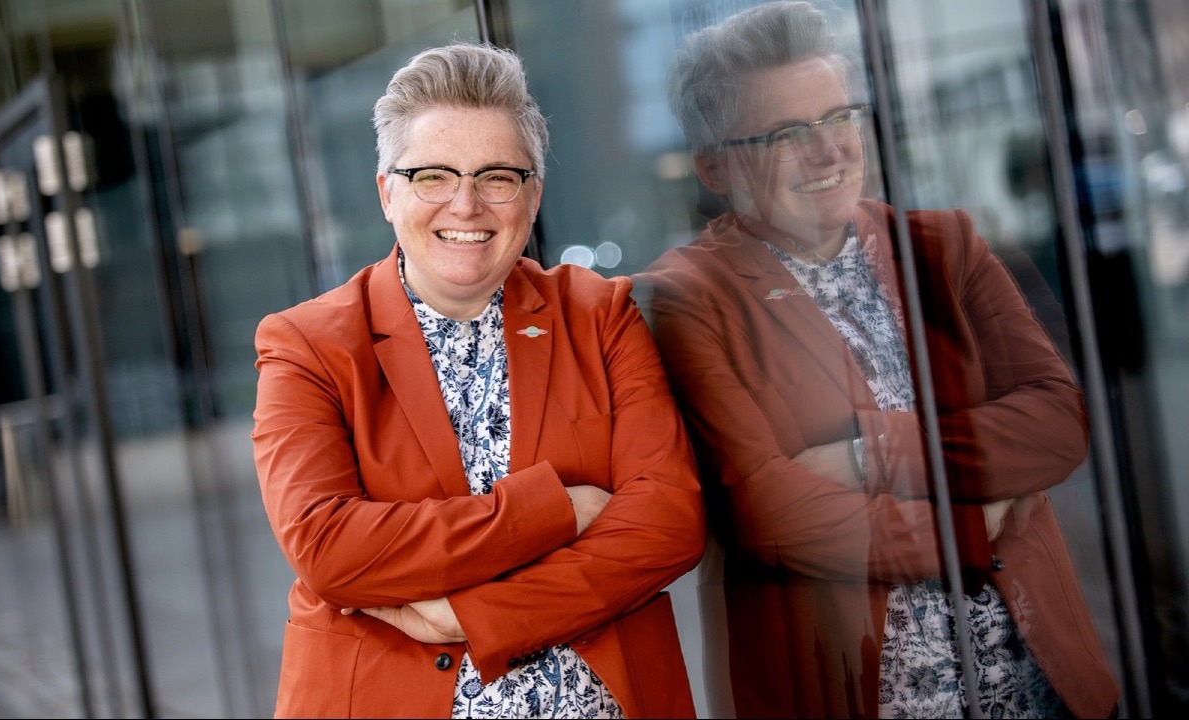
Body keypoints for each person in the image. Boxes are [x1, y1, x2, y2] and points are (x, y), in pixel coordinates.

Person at [634, 2, 1120, 718]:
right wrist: (969, 524)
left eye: (839, 117)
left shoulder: (944, 246)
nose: (829, 151)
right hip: (855, 692)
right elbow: (769, 511)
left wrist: (869, 456)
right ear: (715, 166)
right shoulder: (687, 295)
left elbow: (1057, 424)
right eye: (787, 134)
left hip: (1035, 685)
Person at [252, 41, 705, 719]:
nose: (466, 205)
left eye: (497, 177)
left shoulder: (598, 314)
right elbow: (327, 548)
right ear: (387, 193)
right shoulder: (307, 344)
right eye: (432, 176)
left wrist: (475, 614)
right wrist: (557, 510)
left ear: (534, 195)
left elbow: (668, 522)